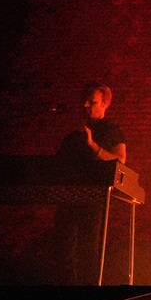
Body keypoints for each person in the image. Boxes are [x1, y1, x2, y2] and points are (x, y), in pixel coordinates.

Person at [51, 84, 128, 283]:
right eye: (84, 101)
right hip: (68, 194)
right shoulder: (74, 134)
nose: (86, 105)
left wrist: (92, 145)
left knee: (88, 246)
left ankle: (88, 290)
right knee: (62, 246)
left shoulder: (112, 130)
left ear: (105, 104)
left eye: (92, 102)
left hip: (95, 196)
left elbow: (120, 160)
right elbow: (58, 163)